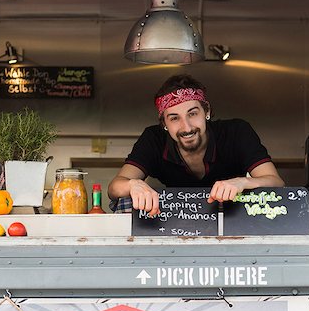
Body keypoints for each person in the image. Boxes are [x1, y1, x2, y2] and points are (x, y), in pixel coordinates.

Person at [108, 74, 284, 215]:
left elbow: (276, 182)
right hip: (177, 224)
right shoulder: (153, 139)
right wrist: (133, 185)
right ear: (164, 124)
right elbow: (114, 188)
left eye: (192, 114)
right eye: (174, 118)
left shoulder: (236, 132)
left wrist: (242, 182)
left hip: (234, 221)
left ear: (206, 112)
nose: (187, 127)